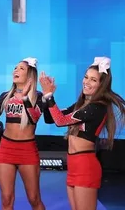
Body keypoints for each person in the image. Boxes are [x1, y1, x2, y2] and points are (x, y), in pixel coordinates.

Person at [38, 57, 125, 210]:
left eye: (93, 80)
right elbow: (49, 119)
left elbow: (60, 120)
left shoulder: (97, 108)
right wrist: (46, 97)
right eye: (86, 77)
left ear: (101, 85)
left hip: (86, 166)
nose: (86, 82)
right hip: (73, 165)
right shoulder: (81, 105)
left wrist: (49, 96)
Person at [0, 58, 49, 210]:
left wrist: (26, 98)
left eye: (21, 68)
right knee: (6, 199)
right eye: (15, 68)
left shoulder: (39, 97)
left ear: (30, 75)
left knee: (34, 198)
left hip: (27, 150)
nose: (15, 71)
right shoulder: (6, 96)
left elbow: (34, 118)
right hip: (6, 148)